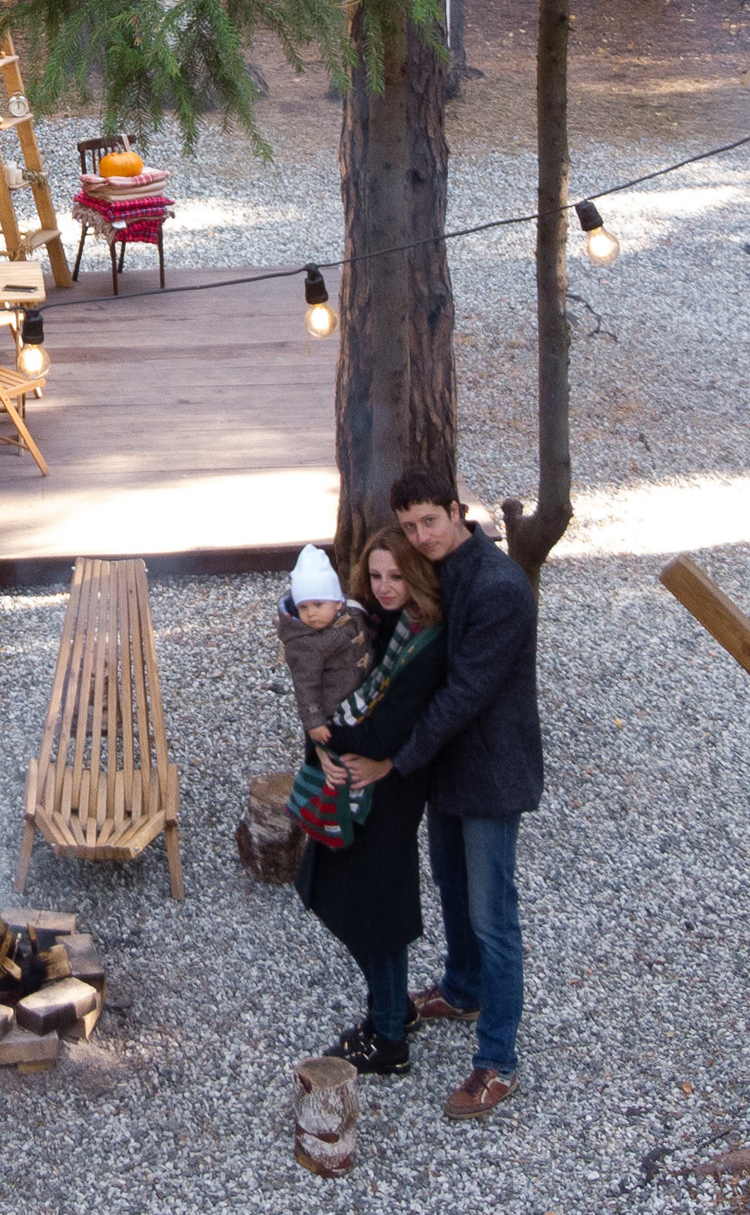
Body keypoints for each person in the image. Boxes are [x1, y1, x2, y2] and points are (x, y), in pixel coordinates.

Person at [338, 466, 543, 1121]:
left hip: (488, 773)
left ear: (458, 511)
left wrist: (395, 760)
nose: (420, 536)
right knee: (452, 890)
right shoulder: (435, 571)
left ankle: (497, 1061)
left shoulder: (499, 587)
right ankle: (462, 988)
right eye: (409, 527)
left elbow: (462, 696)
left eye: (430, 521)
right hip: (446, 771)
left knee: (492, 913)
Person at [290, 530, 447, 1077]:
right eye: (376, 576)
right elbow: (323, 684)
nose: (384, 587)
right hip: (355, 777)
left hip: (391, 789)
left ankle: (388, 1037)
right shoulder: (371, 623)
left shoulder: (425, 639)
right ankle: (392, 1006)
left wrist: (336, 744)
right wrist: (322, 743)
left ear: (417, 578)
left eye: (396, 576)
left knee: (377, 912)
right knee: (336, 892)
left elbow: (389, 726)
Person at [273, 541, 369, 753]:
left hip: (359, 694)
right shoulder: (305, 644)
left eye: (318, 605)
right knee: (338, 754)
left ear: (337, 603)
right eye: (303, 607)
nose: (311, 613)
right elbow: (306, 685)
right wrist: (314, 721)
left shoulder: (349, 614)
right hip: (333, 712)